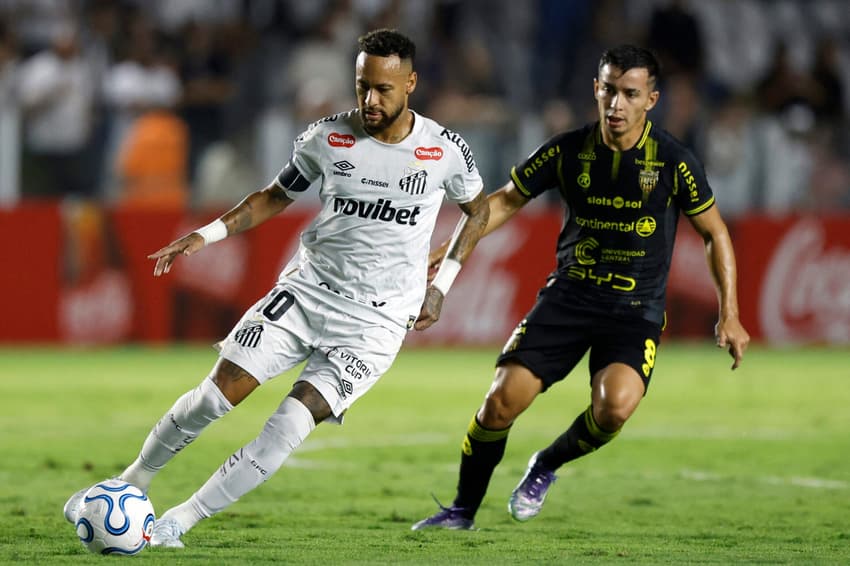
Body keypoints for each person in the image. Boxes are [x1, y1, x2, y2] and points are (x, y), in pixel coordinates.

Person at [62, 28, 489, 547]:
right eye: (362, 86)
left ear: (411, 84)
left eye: (383, 89)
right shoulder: (326, 139)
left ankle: (178, 521)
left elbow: (478, 208)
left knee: (288, 427)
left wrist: (442, 283)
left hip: (375, 324)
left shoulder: (443, 150)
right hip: (308, 295)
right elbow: (273, 196)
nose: (370, 100)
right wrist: (207, 233)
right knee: (213, 400)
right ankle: (130, 482)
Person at [412, 44, 750, 531]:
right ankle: (461, 511)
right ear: (596, 88)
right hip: (569, 297)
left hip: (635, 310)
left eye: (630, 94)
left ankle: (545, 464)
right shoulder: (567, 149)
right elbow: (507, 200)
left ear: (650, 100)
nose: (616, 104)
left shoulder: (674, 161)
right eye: (609, 90)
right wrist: (454, 242)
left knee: (613, 408)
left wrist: (729, 313)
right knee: (500, 402)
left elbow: (714, 232)